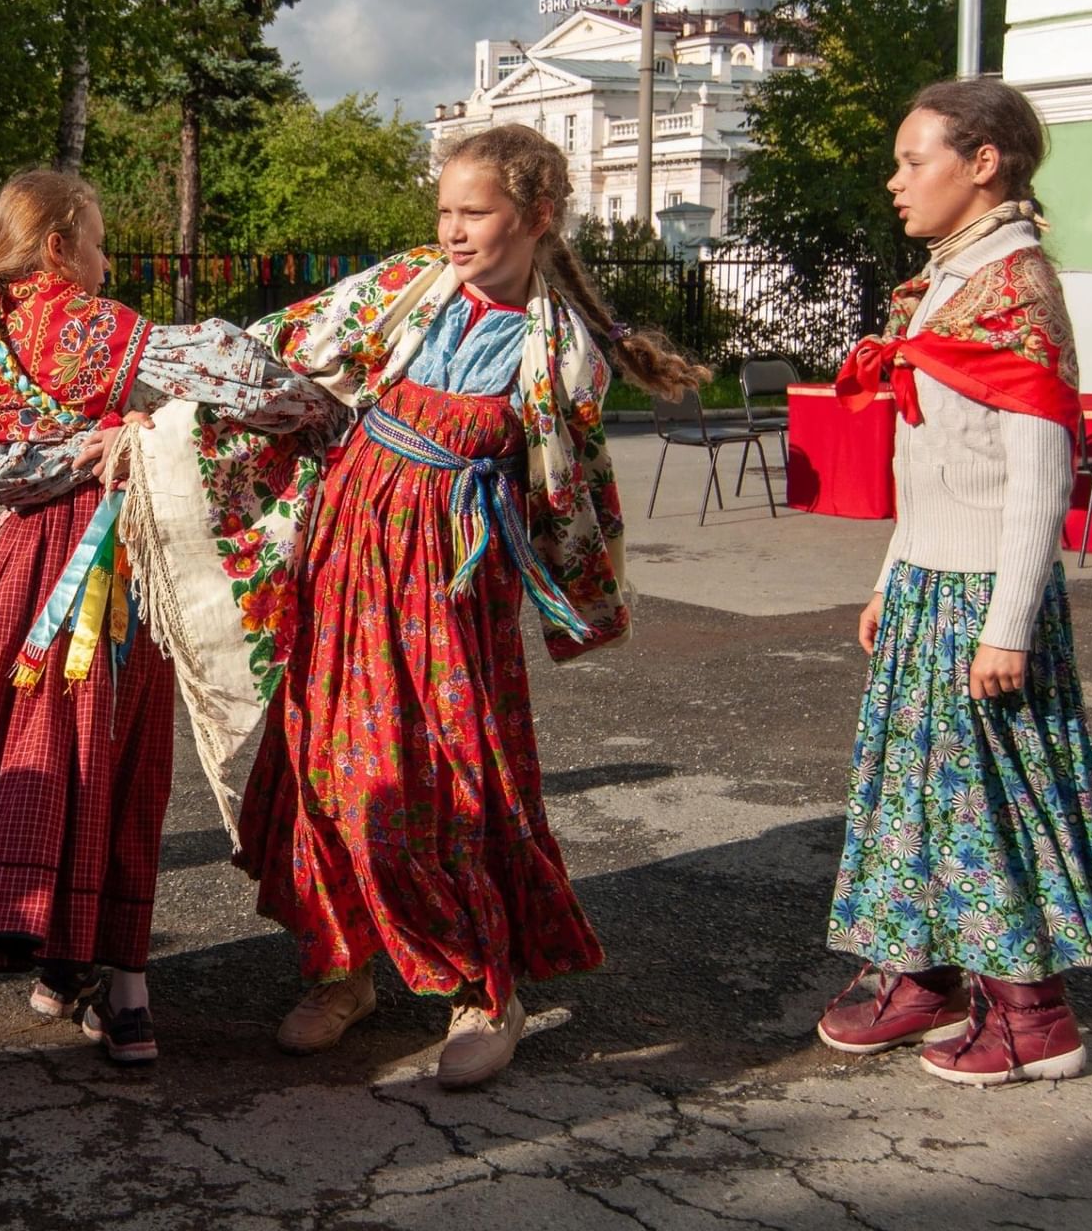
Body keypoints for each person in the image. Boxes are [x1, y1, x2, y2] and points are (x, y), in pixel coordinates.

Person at [113, 124, 706, 1090]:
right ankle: (339, 969)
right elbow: (278, 352)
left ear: (538, 217)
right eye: (444, 211)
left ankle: (485, 985)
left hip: (445, 588)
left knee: (439, 780)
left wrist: (562, 585)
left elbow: (567, 494)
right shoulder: (406, 289)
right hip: (344, 562)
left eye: (474, 213)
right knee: (322, 765)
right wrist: (168, 411)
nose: (453, 230)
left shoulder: (565, 352)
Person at [0, 169, 335, 1065]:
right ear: (58, 247)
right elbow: (254, 386)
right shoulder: (105, 328)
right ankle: (122, 990)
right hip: (112, 568)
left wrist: (81, 450)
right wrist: (321, 411)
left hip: (23, 579)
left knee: (30, 750)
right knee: (114, 762)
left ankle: (62, 965)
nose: (104, 261)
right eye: (95, 242)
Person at [822, 79, 1092, 1085]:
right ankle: (922, 976)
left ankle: (1030, 1014)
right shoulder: (953, 280)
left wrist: (1005, 625)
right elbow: (925, 461)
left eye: (913, 160)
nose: (894, 179)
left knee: (991, 800)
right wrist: (888, 575)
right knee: (914, 798)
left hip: (979, 597)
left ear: (982, 162)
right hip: (928, 583)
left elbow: (1040, 476)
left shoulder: (1014, 285)